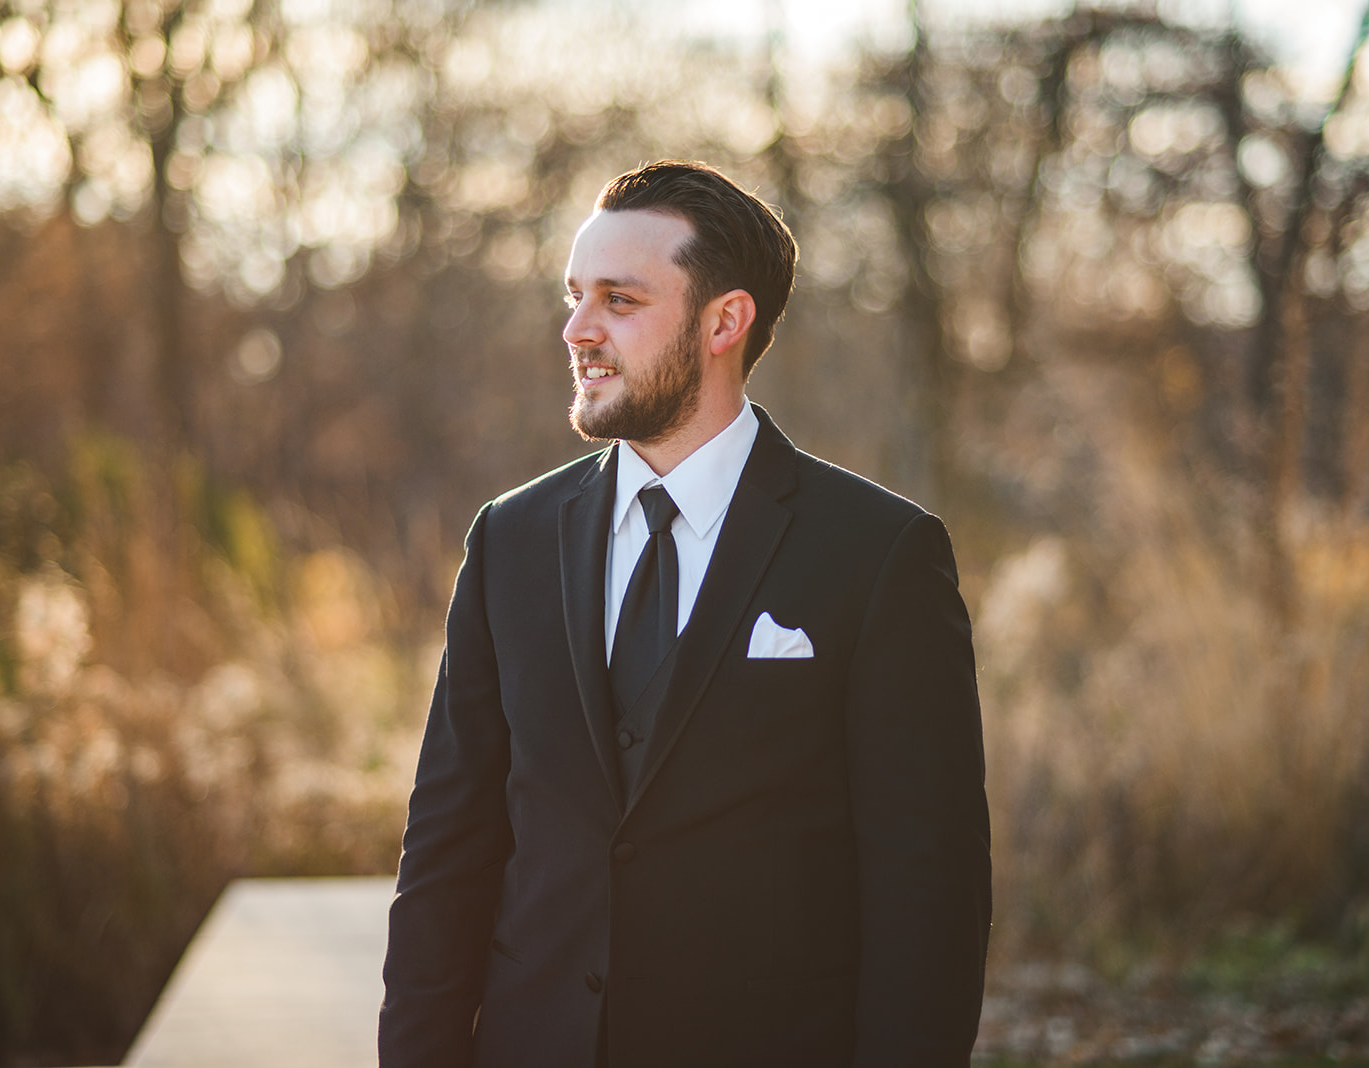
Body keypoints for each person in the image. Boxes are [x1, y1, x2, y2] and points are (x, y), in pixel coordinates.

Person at [379, 160, 989, 1068]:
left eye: (619, 301)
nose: (577, 330)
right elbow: (447, 845)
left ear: (724, 322)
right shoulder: (509, 539)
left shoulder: (879, 555)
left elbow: (927, 891)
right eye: (575, 295)